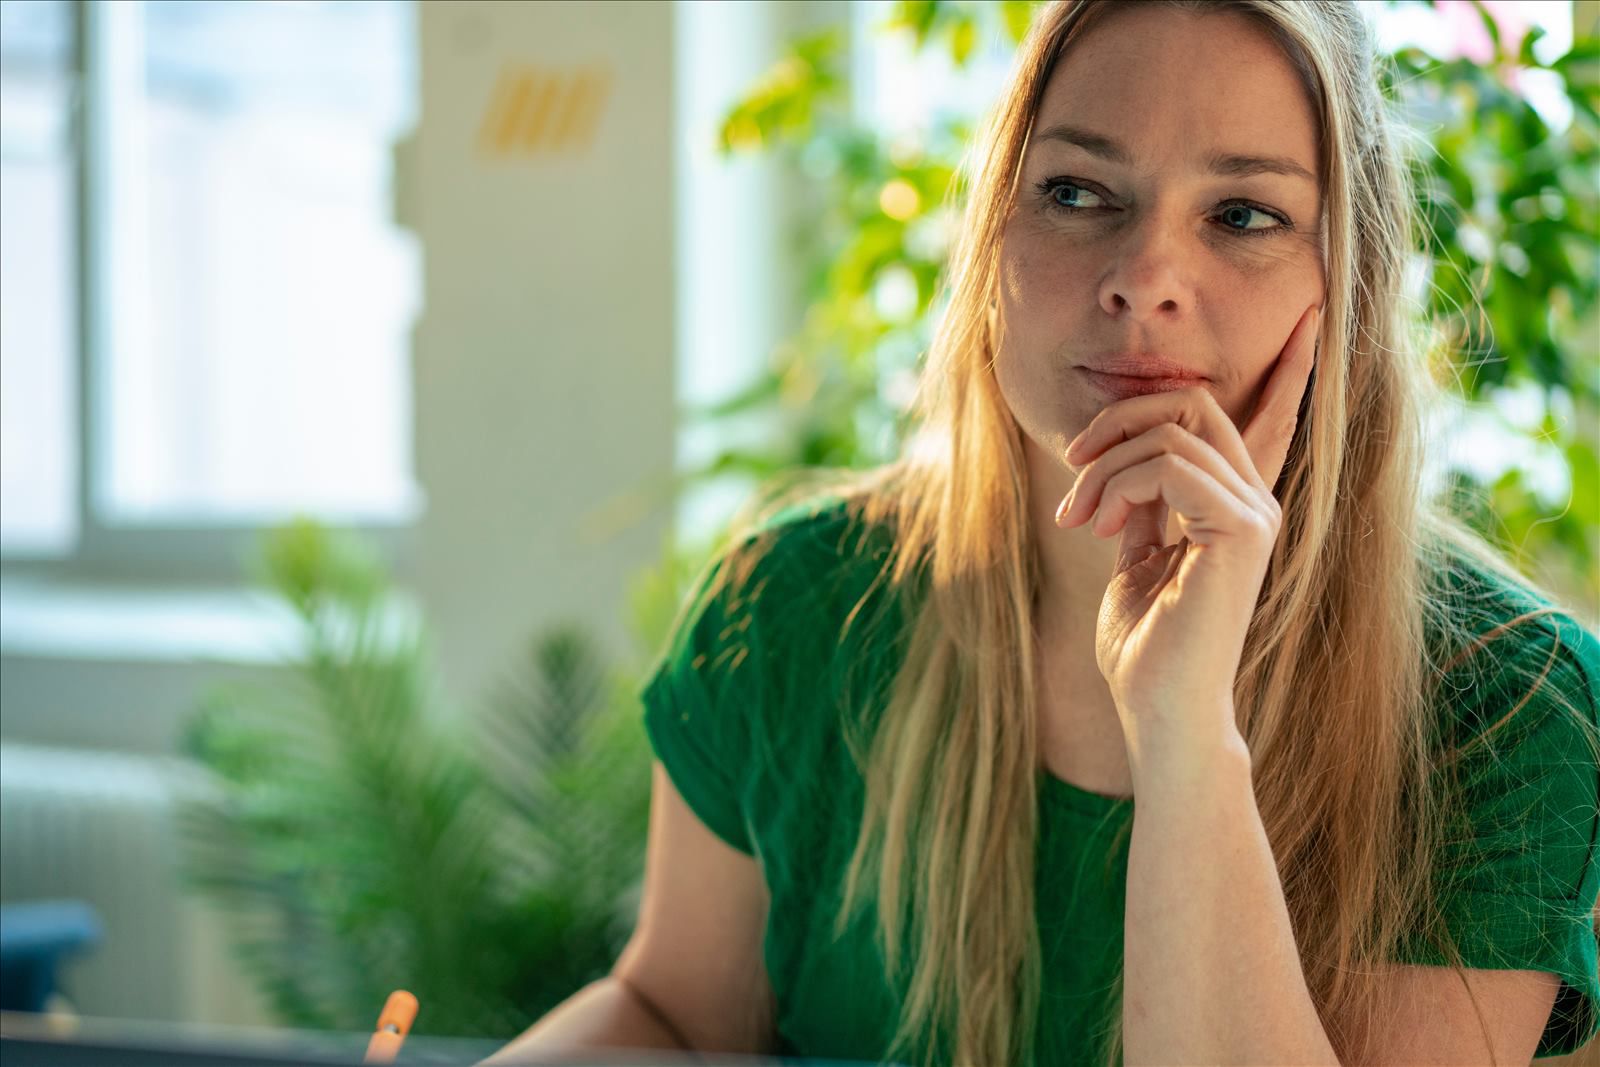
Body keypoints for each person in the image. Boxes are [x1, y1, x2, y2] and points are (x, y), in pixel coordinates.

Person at [484, 1, 1600, 1065]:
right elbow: (677, 1015)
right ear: (990, 247)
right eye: (1075, 193)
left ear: (1346, 282)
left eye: (1243, 215)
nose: (1143, 279)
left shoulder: (1507, 698)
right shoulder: (792, 600)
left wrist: (1182, 724)